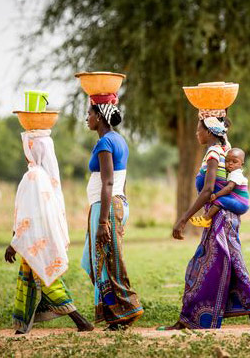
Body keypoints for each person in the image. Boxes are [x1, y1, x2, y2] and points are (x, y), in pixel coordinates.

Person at [161, 115, 250, 330]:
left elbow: (208, 190)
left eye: (199, 130)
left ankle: (188, 320)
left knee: (204, 267)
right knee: (227, 265)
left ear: (209, 132)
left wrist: (183, 219)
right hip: (224, 218)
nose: (197, 133)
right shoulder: (225, 149)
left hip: (220, 219)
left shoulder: (214, 153)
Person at [5, 129, 93, 334]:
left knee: (48, 281)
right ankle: (22, 327)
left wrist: (14, 242)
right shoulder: (45, 176)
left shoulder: (33, 176)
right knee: (31, 280)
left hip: (35, 240)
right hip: (42, 239)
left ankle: (81, 321)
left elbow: (28, 215)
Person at [80, 96, 143, 330]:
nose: (87, 118)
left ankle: (125, 311)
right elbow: (120, 181)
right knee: (92, 261)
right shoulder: (120, 140)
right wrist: (122, 209)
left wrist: (104, 221)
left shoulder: (105, 142)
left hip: (105, 207)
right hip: (115, 204)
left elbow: (108, 182)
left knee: (106, 262)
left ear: (100, 116)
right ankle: (117, 311)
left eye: (89, 113)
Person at [190, 148, 249, 228]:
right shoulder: (230, 173)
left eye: (234, 162)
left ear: (241, 164)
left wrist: (216, 195)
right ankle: (206, 216)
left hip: (241, 203)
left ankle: (206, 219)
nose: (230, 164)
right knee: (221, 200)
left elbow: (229, 188)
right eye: (227, 161)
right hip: (237, 201)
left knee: (220, 200)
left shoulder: (236, 173)